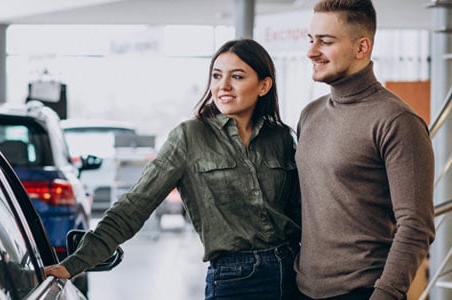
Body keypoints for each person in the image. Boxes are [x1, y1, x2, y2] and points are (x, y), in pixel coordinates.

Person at [44, 38, 302, 299]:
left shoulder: (281, 138)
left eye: (237, 76)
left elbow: (302, 212)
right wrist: (75, 264)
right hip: (237, 279)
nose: (223, 86)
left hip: (295, 272)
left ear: (263, 86)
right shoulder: (190, 136)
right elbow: (135, 205)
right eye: (216, 75)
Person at [295, 1, 435, 299]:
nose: (311, 51)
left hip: (362, 292)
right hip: (301, 290)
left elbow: (416, 226)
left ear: (362, 47)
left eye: (326, 41)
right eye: (311, 40)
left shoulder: (397, 121)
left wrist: (385, 295)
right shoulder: (310, 115)